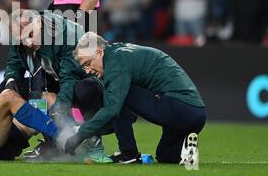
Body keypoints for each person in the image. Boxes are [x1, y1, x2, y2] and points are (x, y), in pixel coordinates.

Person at [65, 32, 206, 167]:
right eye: (84, 66)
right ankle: (185, 152)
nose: (87, 70)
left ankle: (128, 154)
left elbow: (112, 109)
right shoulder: (118, 52)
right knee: (165, 155)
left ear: (100, 52)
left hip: (181, 108)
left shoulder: (115, 62)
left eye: (88, 63)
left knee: (118, 97)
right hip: (195, 114)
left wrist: (80, 134)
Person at [0, 9, 112, 163]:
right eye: (22, 40)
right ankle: (45, 140)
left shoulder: (66, 33)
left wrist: (58, 108)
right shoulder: (20, 32)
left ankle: (89, 138)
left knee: (82, 90)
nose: (28, 43)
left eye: (31, 35)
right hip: (53, 78)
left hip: (89, 82)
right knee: (7, 89)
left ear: (39, 22)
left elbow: (70, 77)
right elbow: (13, 66)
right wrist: (10, 82)